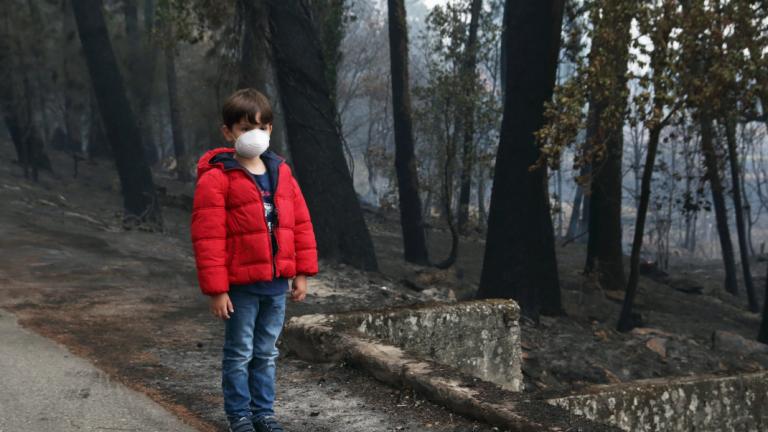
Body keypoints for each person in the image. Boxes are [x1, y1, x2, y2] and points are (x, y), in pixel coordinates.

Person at [190, 88, 319, 432]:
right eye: (246, 128)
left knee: (266, 352)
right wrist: (217, 290)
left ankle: (264, 413)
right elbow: (208, 238)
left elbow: (300, 222)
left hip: (276, 286)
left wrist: (302, 272)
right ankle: (240, 416)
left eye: (262, 127)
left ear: (271, 130)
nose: (255, 135)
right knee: (239, 353)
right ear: (228, 132)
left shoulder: (282, 172)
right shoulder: (216, 179)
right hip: (241, 288)